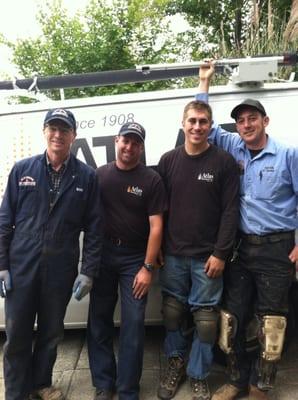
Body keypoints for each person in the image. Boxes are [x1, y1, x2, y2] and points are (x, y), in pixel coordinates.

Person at [196, 62, 298, 400]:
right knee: (231, 319)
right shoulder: (235, 147)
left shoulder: (287, 154)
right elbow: (205, 127)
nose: (246, 125)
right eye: (240, 120)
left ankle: (260, 386)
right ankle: (237, 381)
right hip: (240, 249)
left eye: (252, 118)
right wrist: (203, 82)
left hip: (276, 248)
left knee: (272, 324)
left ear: (265, 121)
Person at [0, 108, 103, 400]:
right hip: (22, 265)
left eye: (64, 129)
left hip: (61, 266)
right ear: (45, 131)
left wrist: (88, 270)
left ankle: (41, 383)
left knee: (51, 332)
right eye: (52, 128)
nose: (58, 135)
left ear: (74, 135)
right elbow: (5, 220)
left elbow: (95, 229)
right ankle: (18, 393)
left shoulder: (87, 177)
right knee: (17, 334)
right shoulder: (23, 170)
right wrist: (2, 264)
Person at [156, 99, 240, 400]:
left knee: (206, 322)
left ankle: (198, 375)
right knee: (172, 314)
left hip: (208, 259)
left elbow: (231, 211)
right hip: (174, 256)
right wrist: (158, 248)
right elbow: (159, 211)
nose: (197, 127)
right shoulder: (168, 161)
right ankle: (176, 365)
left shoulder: (224, 162)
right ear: (183, 124)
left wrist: (220, 253)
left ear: (210, 126)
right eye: (192, 121)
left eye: (203, 121)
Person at [87, 122, 167, 400]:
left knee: (133, 324)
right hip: (104, 257)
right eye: (125, 141)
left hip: (135, 258)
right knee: (98, 321)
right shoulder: (100, 175)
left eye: (135, 143)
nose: (129, 147)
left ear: (141, 147)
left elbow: (156, 226)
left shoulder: (151, 180)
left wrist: (148, 268)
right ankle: (104, 384)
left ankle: (127, 389)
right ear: (116, 141)